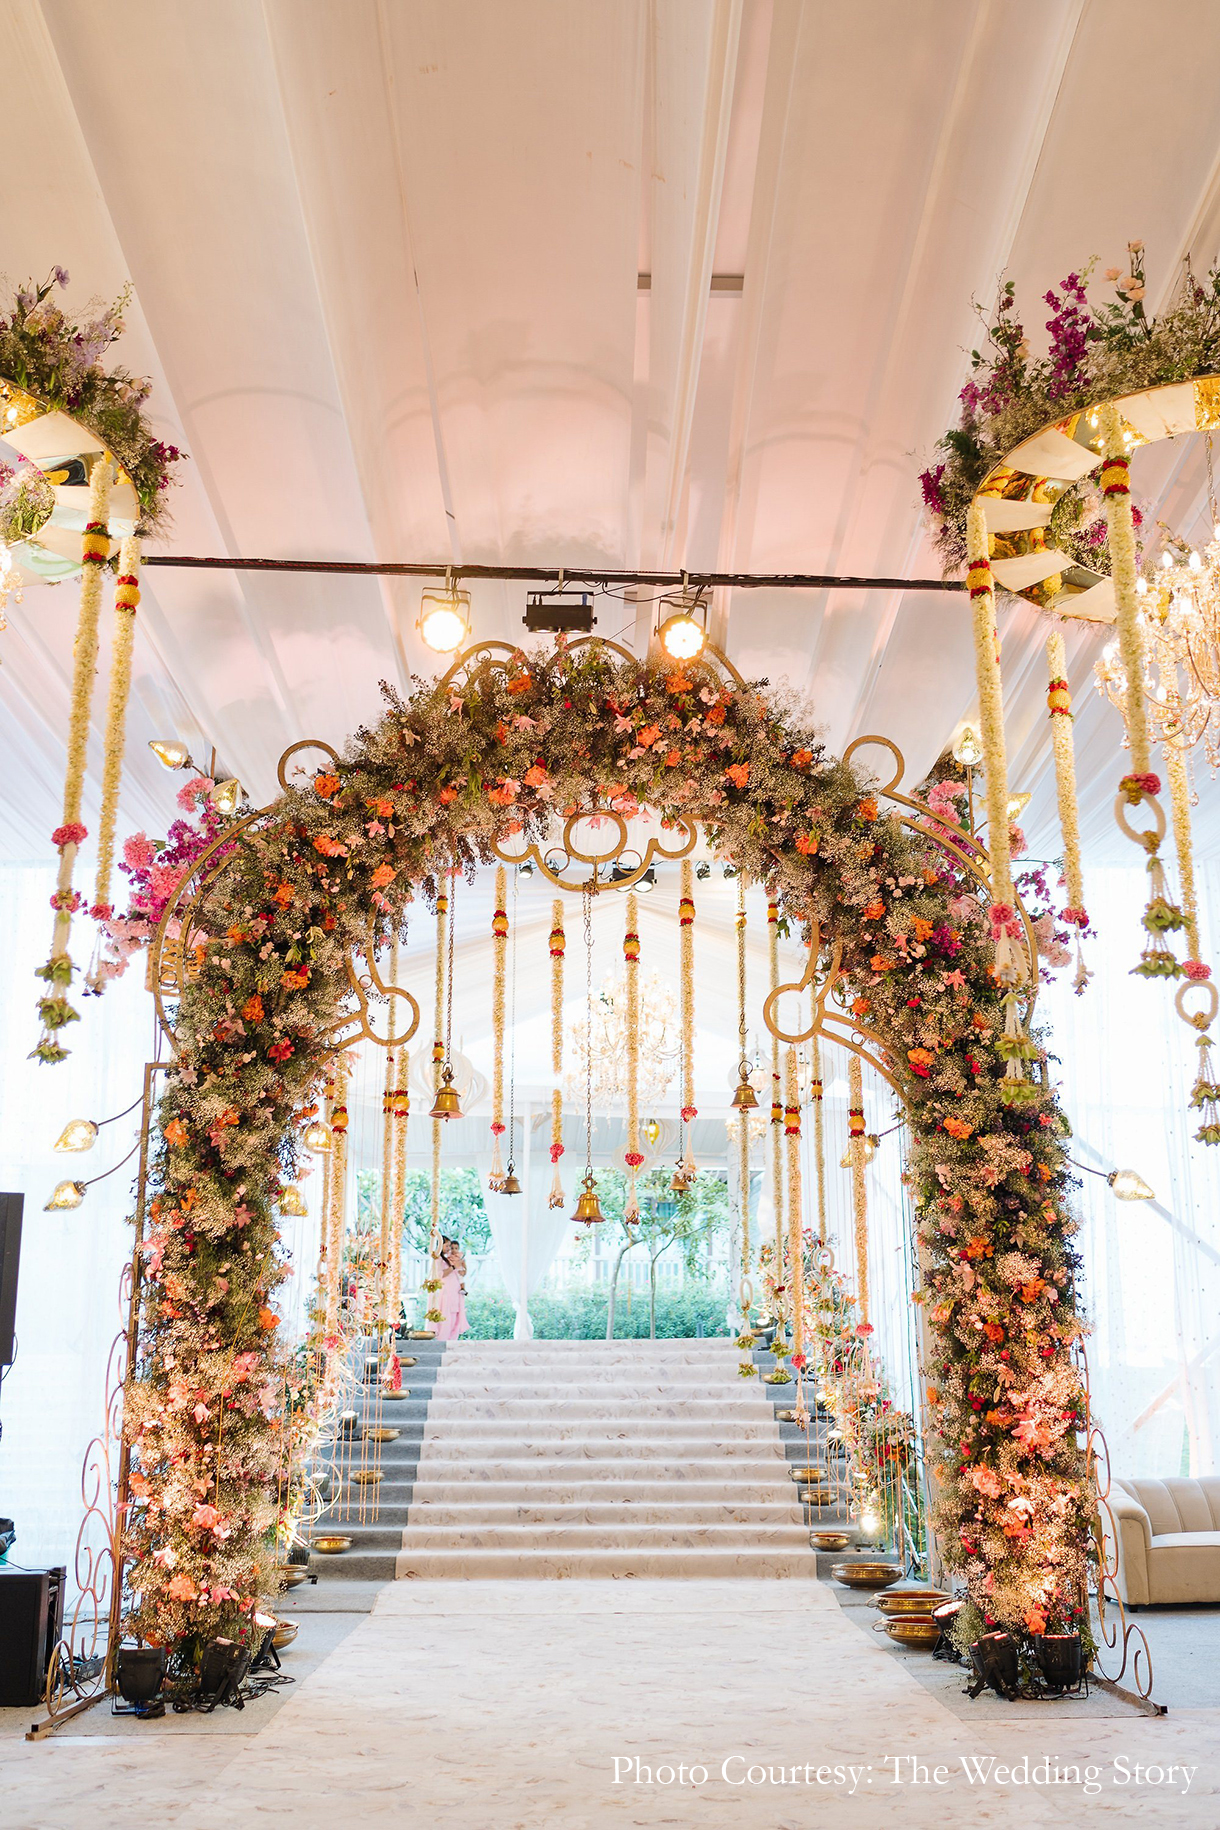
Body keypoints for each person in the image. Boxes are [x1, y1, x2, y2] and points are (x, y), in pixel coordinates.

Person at [435, 1236, 468, 1341]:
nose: (450, 1248)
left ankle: (453, 1341)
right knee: (446, 1318)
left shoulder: (449, 1258)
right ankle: (444, 1341)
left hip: (455, 1292)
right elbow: (441, 1274)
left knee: (455, 1317)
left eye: (451, 1246)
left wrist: (461, 1266)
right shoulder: (439, 1259)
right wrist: (453, 1266)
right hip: (447, 1293)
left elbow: (462, 1272)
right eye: (448, 1246)